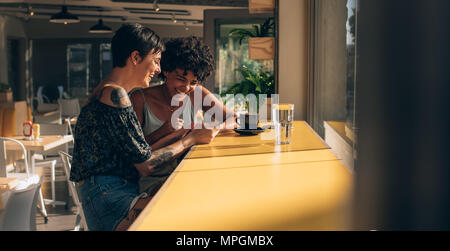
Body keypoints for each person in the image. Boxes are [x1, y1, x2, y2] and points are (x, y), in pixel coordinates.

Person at [70, 24, 217, 231]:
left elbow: (139, 152)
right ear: (136, 58)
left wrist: (177, 133)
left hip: (108, 190)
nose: (158, 69)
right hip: (109, 194)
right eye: (156, 61)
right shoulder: (116, 95)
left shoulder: (105, 91)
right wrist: (190, 140)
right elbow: (146, 165)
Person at [130, 36, 236, 194]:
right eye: (181, 79)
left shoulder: (197, 93)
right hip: (156, 181)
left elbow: (235, 119)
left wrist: (214, 129)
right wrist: (164, 131)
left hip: (193, 173)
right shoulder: (140, 98)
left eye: (193, 82)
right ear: (166, 71)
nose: (186, 88)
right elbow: (135, 154)